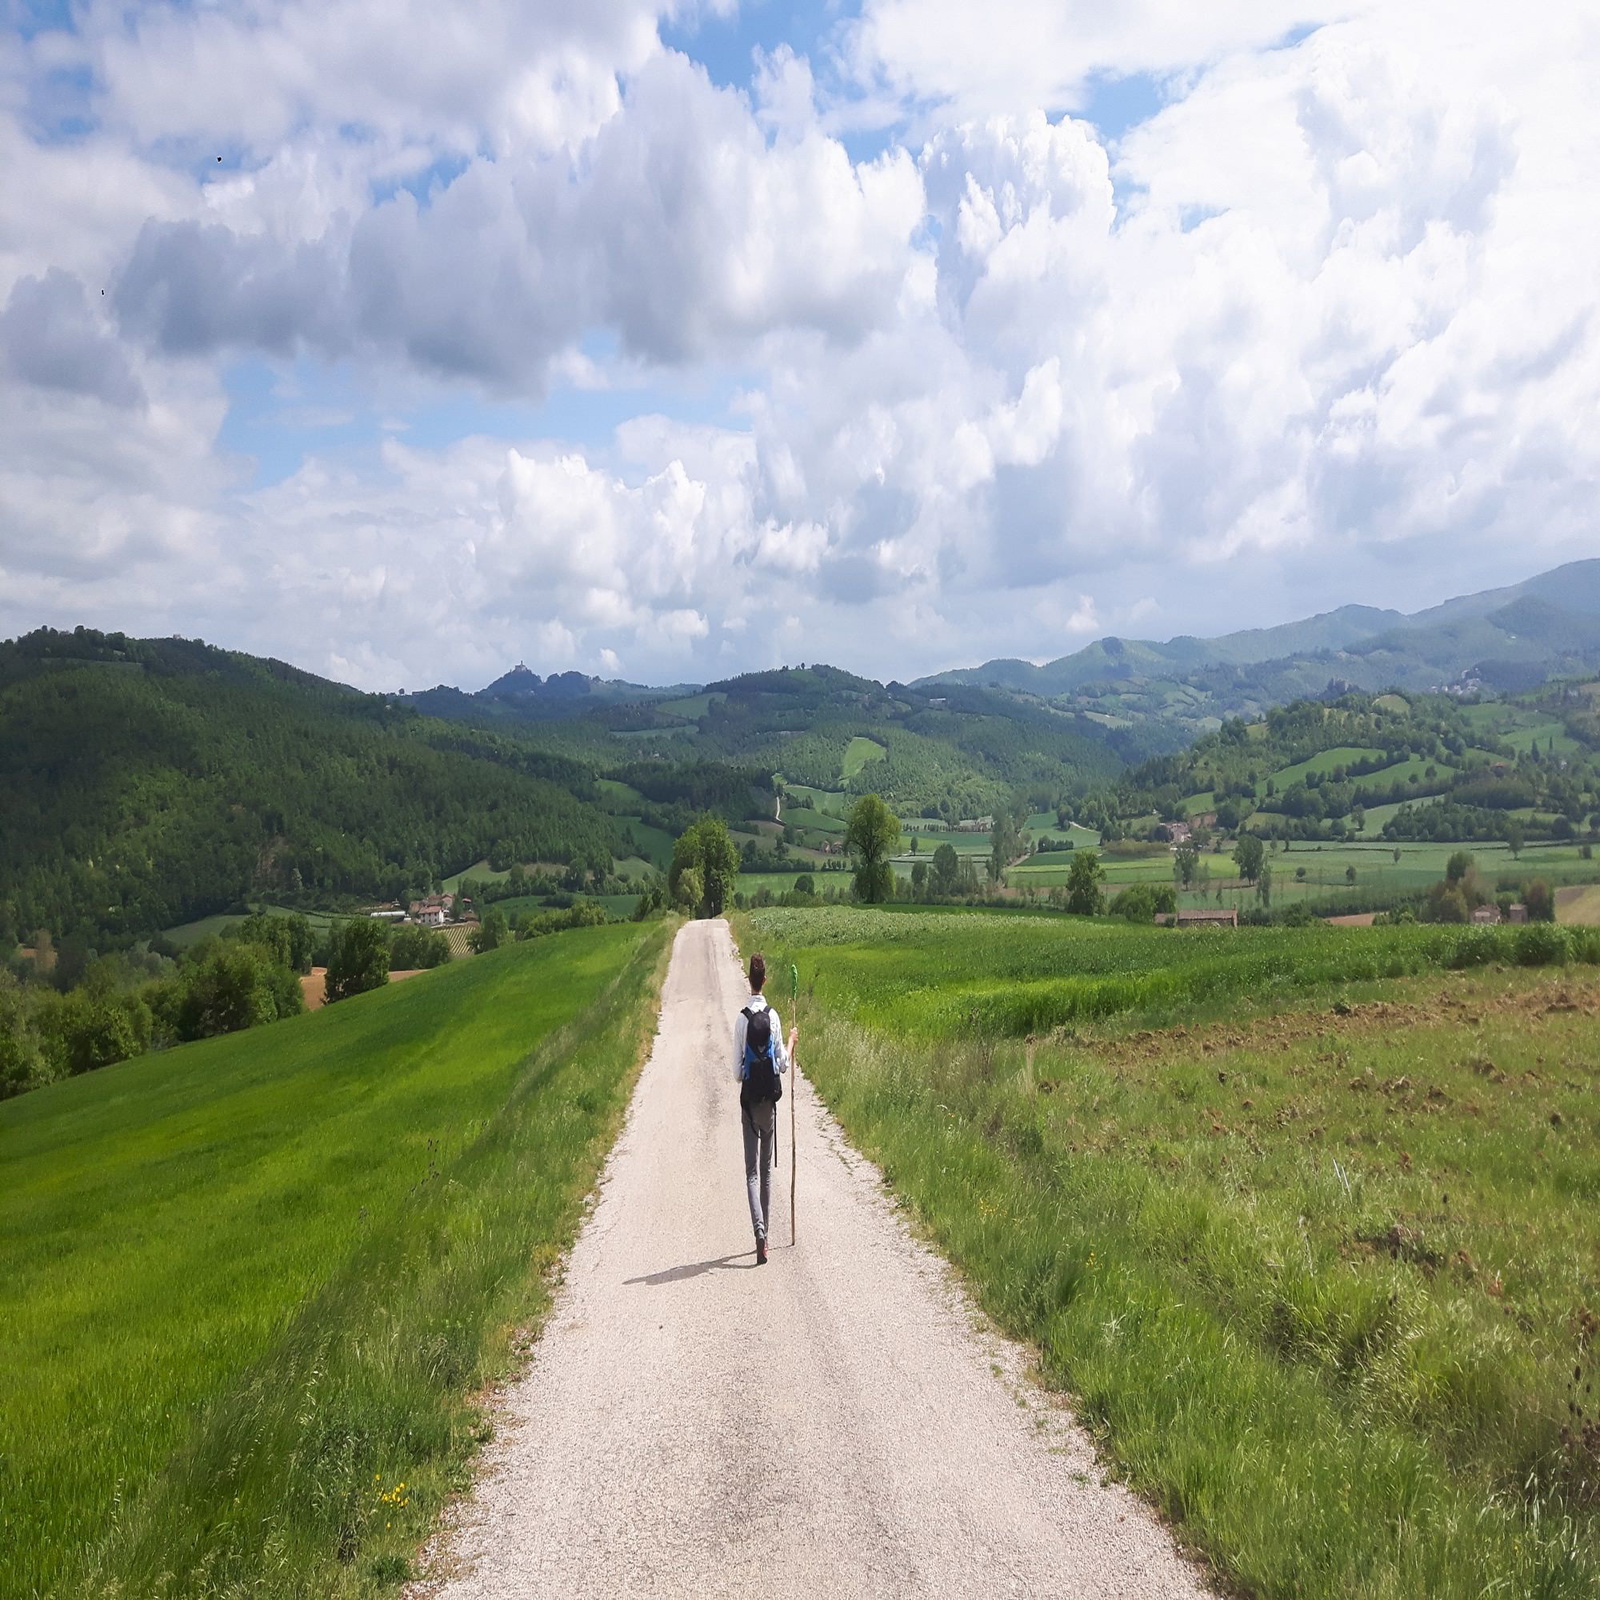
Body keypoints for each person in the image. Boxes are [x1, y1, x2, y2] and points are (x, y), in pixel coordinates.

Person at [733, 951, 796, 1265]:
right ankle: (766, 1238)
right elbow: (783, 1064)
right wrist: (793, 1042)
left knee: (751, 1174)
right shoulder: (773, 1017)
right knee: (766, 1173)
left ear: (749, 979)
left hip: (748, 1104)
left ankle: (758, 1232)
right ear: (765, 979)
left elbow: (735, 1073)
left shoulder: (741, 1019)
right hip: (769, 1104)